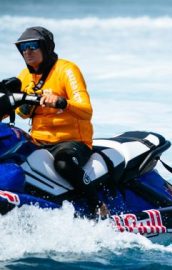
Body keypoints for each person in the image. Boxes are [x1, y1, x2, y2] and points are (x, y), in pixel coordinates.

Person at [14, 26, 108, 218]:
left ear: (46, 47)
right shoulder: (24, 76)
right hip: (38, 141)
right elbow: (18, 113)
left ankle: (97, 205)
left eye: (32, 46)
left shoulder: (67, 70)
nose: (27, 51)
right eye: (23, 47)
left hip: (72, 142)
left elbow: (86, 111)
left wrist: (62, 102)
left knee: (64, 163)